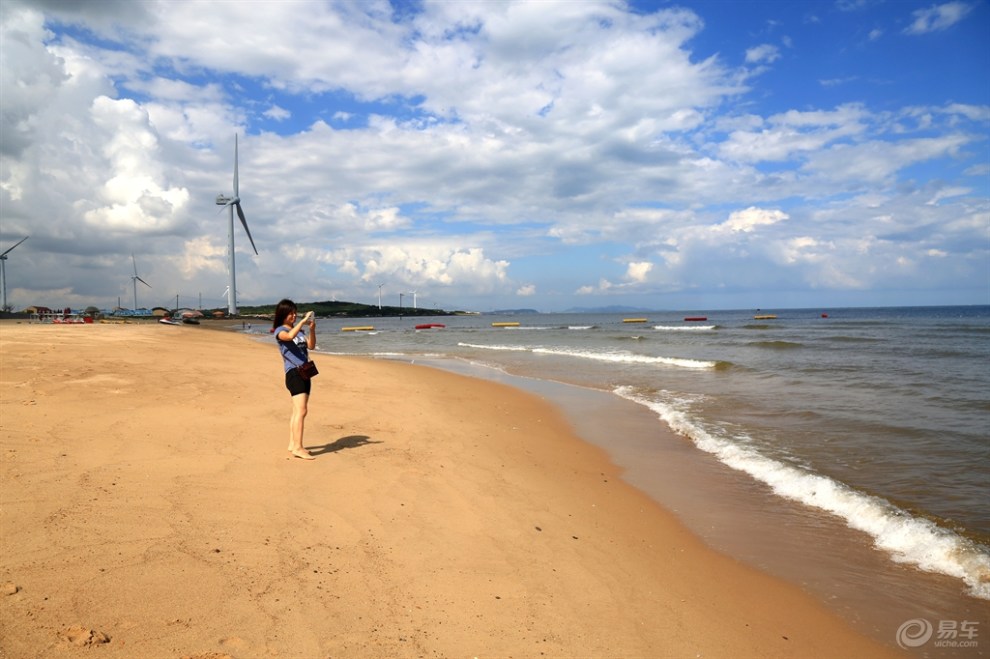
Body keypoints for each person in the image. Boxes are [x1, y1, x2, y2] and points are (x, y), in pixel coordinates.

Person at [273, 299, 317, 460]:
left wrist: (311, 329)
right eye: (291, 313)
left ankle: (293, 443)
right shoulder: (279, 330)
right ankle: (298, 447)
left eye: (295, 313)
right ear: (283, 315)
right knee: (302, 410)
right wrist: (303, 321)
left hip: (305, 372)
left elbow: (311, 346)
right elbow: (289, 336)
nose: (294, 316)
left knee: (296, 410)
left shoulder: (300, 332)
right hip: (294, 373)